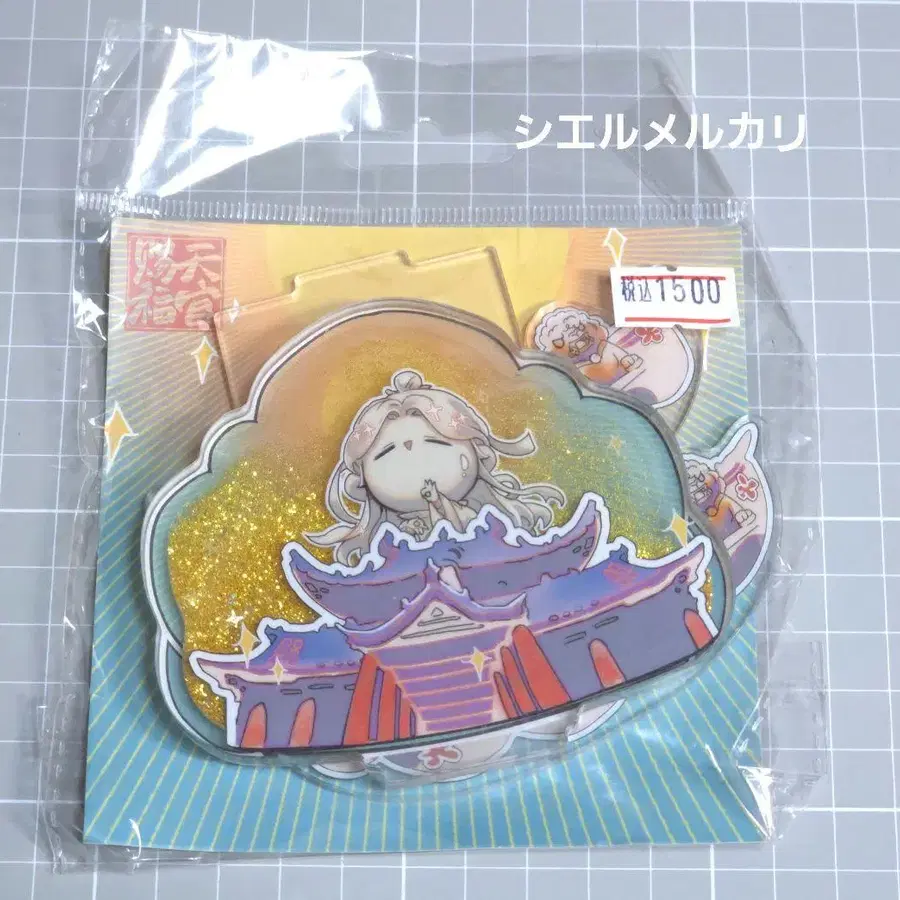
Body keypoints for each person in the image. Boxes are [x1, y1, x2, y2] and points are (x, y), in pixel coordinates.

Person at [306, 369, 565, 565]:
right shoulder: (389, 540)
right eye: (386, 453)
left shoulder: (480, 519)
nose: (411, 455)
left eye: (434, 443)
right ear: (364, 480)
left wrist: (438, 502)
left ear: (473, 455)